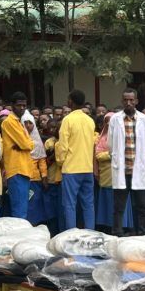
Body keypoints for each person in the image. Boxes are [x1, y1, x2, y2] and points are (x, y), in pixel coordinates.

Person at [108, 89, 145, 236]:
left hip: (139, 170)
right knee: (118, 206)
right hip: (122, 169)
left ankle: (142, 233)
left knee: (142, 206)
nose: (128, 103)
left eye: (131, 100)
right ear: (122, 101)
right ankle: (117, 233)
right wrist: (116, 158)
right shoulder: (115, 119)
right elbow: (110, 144)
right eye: (126, 100)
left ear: (136, 101)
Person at [56, 89, 97, 230]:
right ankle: (90, 232)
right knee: (88, 204)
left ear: (70, 102)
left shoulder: (67, 120)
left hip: (71, 169)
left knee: (70, 204)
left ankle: (71, 234)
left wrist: (60, 161)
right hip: (87, 168)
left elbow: (63, 146)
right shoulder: (90, 120)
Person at [0, 92, 36, 220]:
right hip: (16, 169)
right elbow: (27, 144)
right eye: (19, 105)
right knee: (19, 211)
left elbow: (29, 144)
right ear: (12, 105)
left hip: (24, 168)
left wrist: (26, 144)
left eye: (24, 106)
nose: (22, 108)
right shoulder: (9, 122)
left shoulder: (19, 122)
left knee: (22, 209)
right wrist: (26, 144)